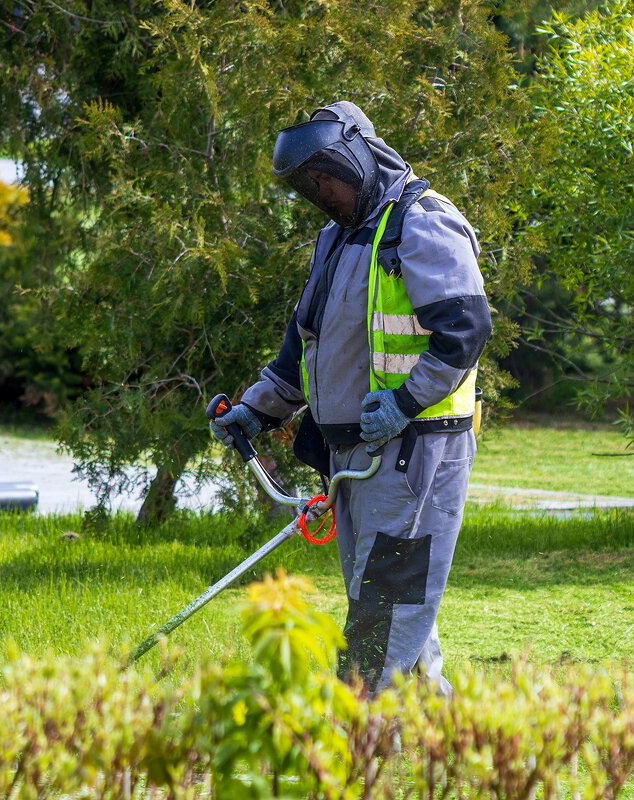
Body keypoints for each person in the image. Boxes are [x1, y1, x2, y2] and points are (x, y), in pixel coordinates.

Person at [210, 101, 491, 695]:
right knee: (389, 596)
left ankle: (356, 739)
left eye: (328, 176)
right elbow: (305, 346)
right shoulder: (336, 239)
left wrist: (405, 403)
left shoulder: (423, 223)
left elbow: (464, 331)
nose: (323, 192)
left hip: (414, 450)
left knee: (383, 606)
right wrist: (257, 409)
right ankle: (432, 736)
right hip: (354, 455)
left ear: (359, 156)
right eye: (311, 185)